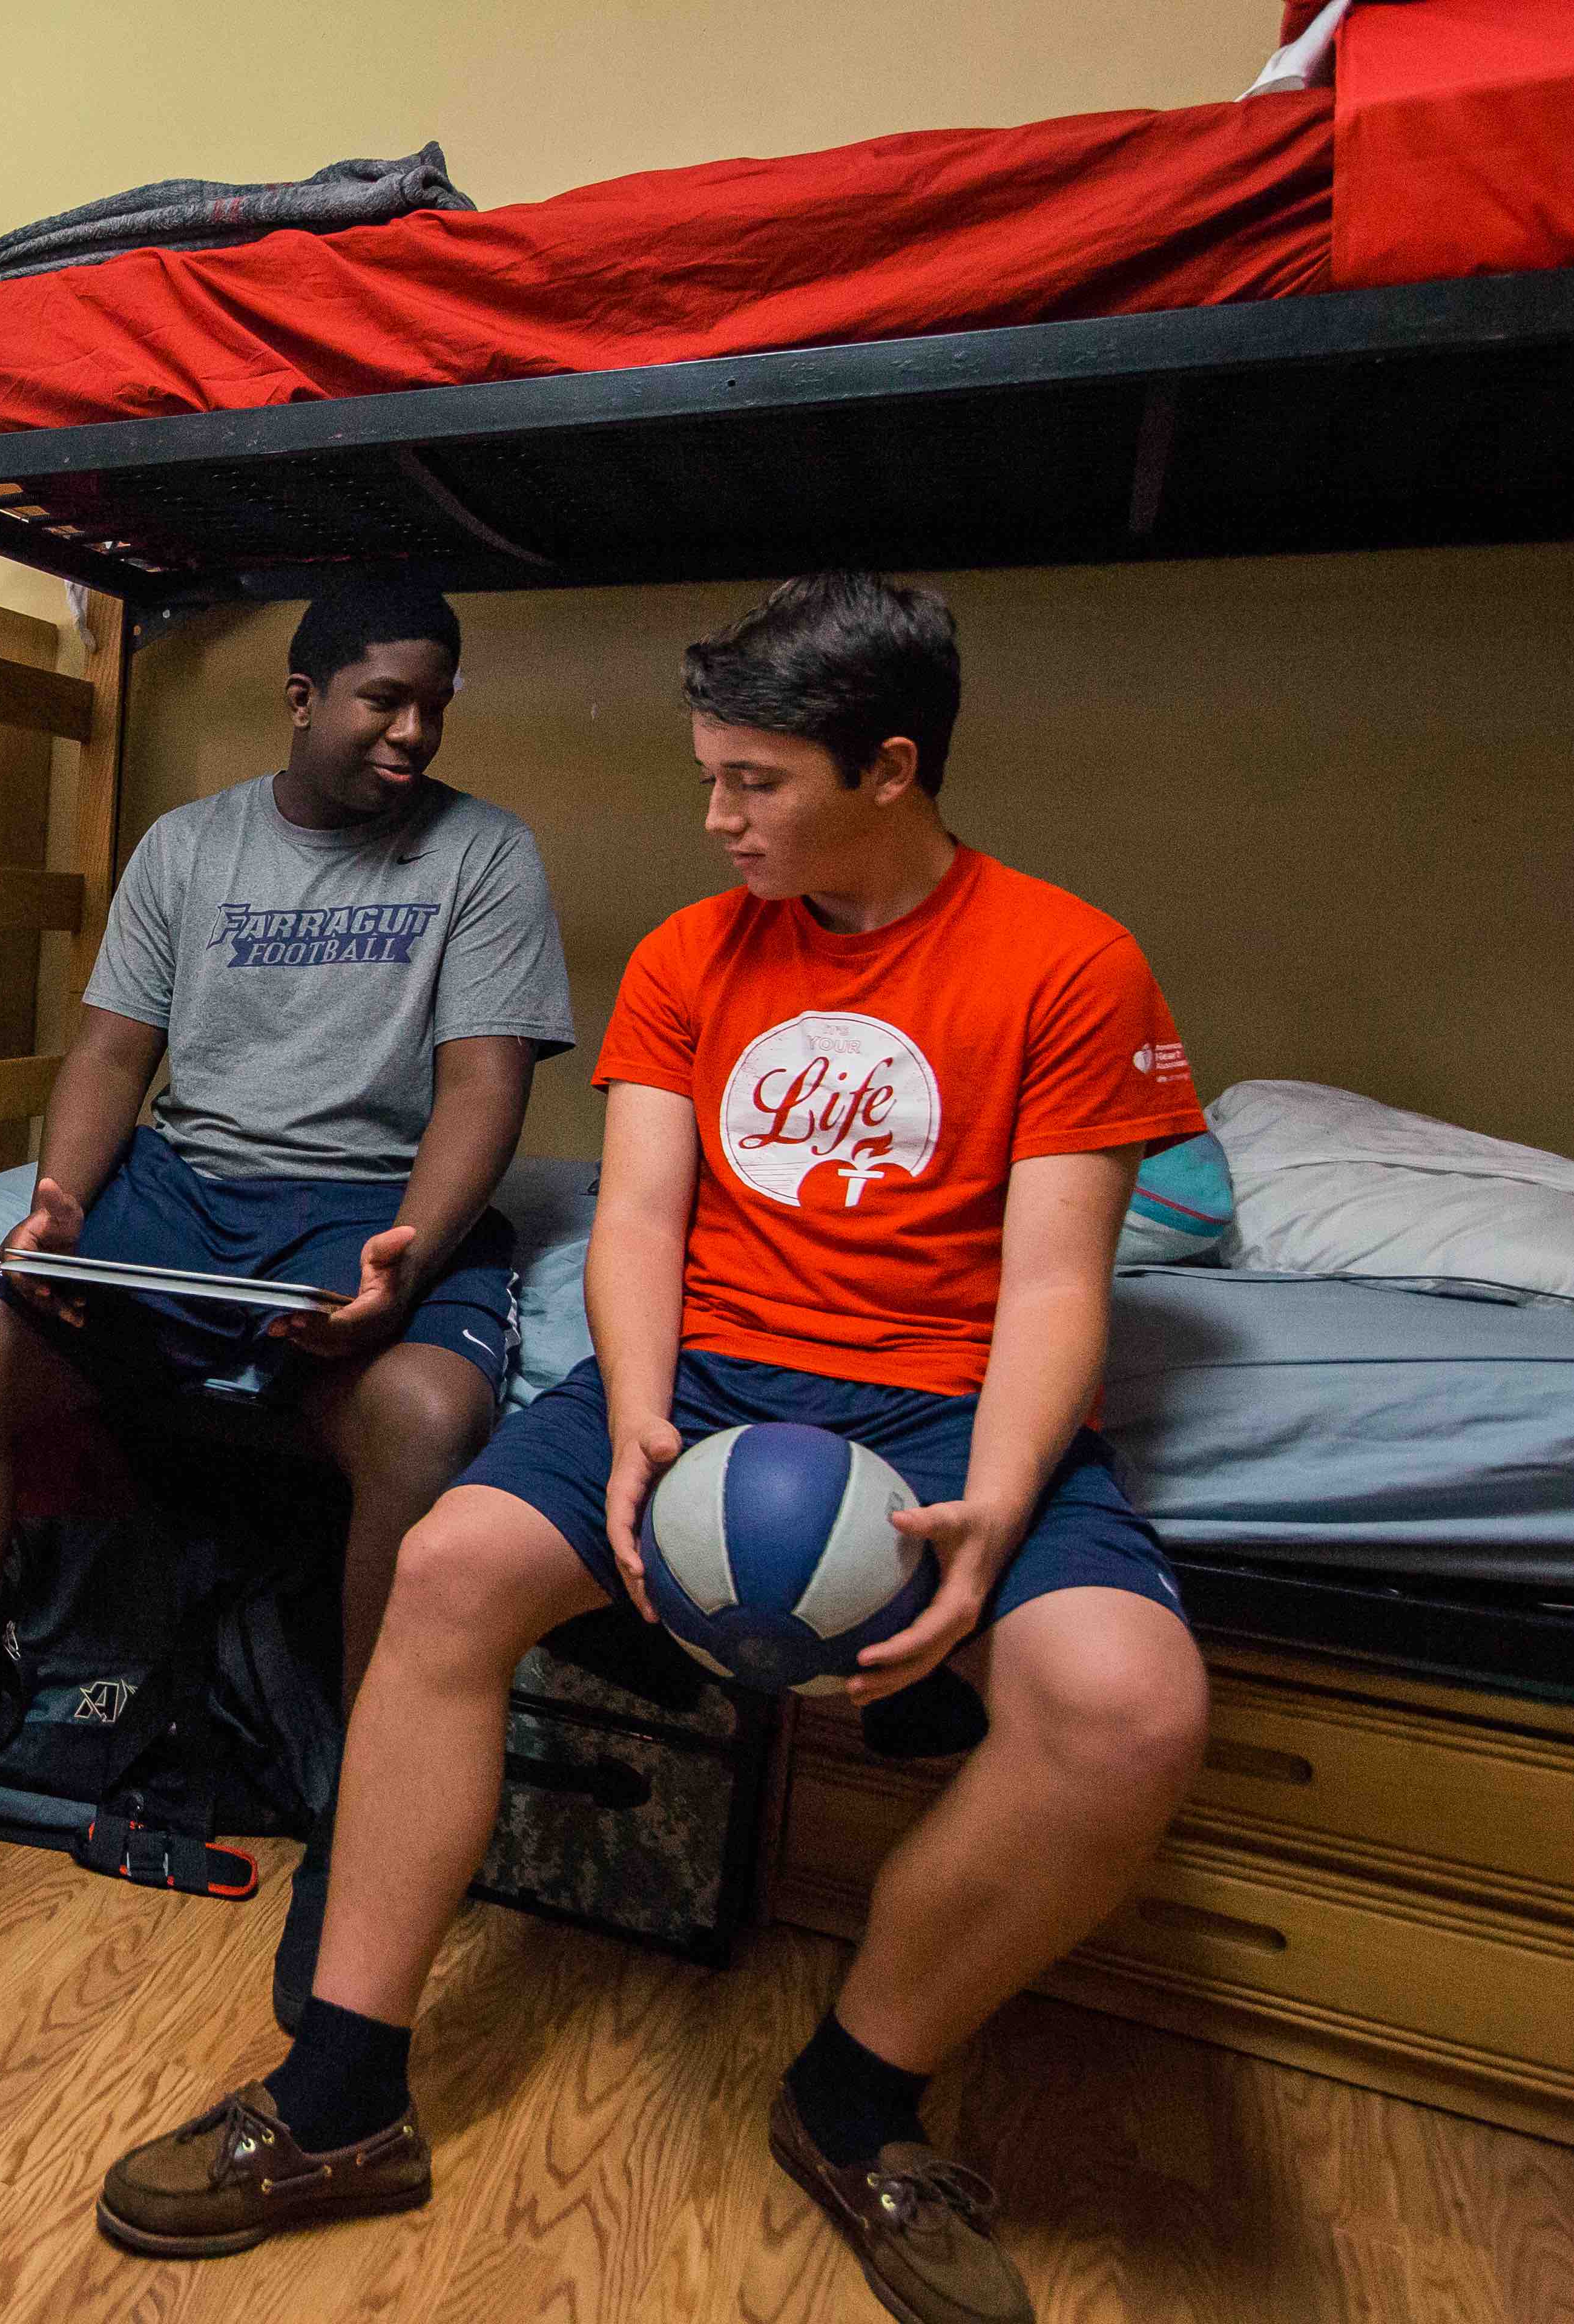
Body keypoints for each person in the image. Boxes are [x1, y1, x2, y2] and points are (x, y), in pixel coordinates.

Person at [93, 574, 1213, 2324]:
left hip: (939, 1401)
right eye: (713, 774)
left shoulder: (1069, 962)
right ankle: (342, 2096)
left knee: (1129, 1708)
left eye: (754, 781)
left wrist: (995, 1506)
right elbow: (635, 1224)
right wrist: (632, 1420)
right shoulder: (697, 956)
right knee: (452, 1570)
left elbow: (1059, 1278)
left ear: (892, 767)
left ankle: (853, 2099)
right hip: (705, 1380)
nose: (716, 817)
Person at [0, 566, 576, 2023]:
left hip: (368, 1204)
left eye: (435, 710)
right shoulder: (190, 847)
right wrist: (64, 1201)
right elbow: (107, 1055)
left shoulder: (483, 855)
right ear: (302, 700)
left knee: (417, 1414)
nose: (413, 737)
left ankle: (361, 1827)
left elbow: (486, 1083)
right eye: (383, 703)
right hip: (189, 1193)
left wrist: (408, 1246)